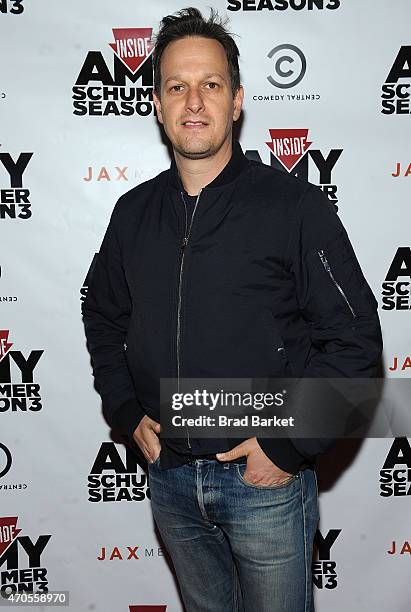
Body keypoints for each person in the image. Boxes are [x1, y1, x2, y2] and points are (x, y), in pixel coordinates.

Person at [82, 7, 383, 611]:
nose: (194, 102)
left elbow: (357, 345)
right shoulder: (132, 213)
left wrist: (287, 447)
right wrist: (124, 406)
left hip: (262, 483)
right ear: (159, 106)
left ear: (237, 100)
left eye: (211, 85)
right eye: (176, 87)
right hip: (167, 477)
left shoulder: (295, 208)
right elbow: (102, 312)